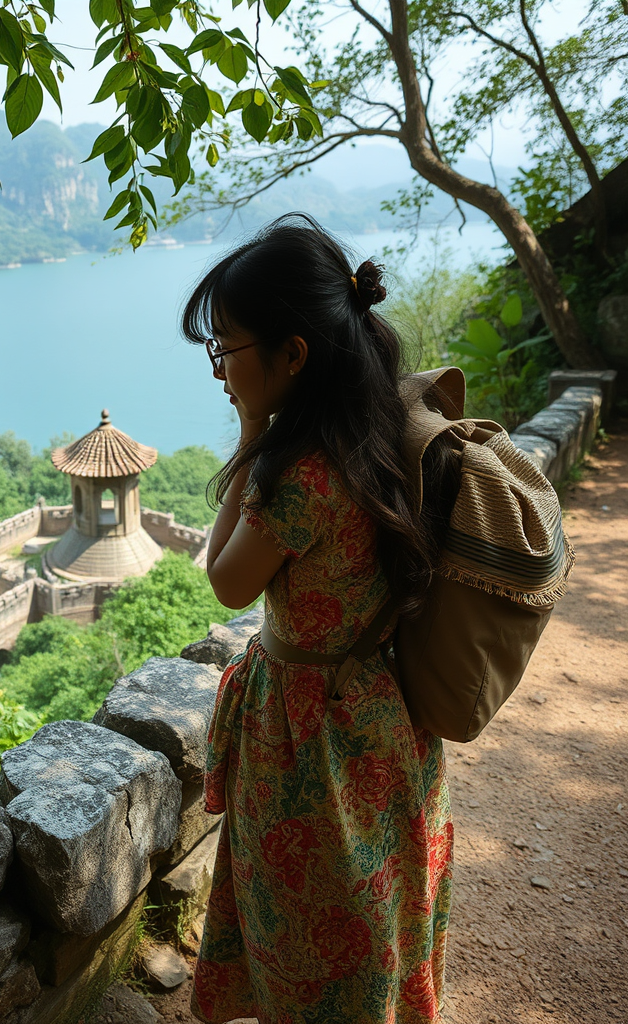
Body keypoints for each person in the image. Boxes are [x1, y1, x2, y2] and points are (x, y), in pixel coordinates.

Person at [186, 215, 454, 1024]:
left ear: (291, 355)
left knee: (306, 926)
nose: (221, 370)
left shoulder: (299, 473)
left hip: (311, 740)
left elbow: (227, 582)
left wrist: (248, 442)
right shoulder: (376, 428)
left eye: (226, 348)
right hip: (381, 715)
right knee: (379, 912)